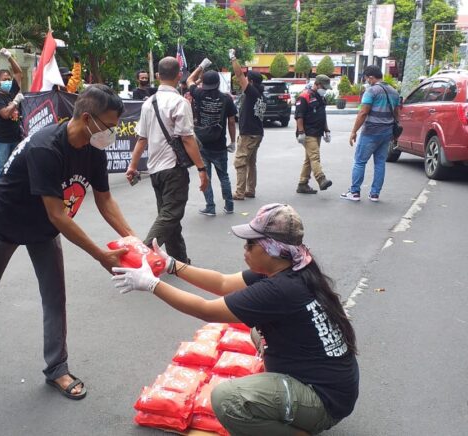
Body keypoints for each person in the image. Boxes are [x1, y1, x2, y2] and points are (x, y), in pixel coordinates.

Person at [0, 85, 135, 408]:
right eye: (109, 126)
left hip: (43, 227)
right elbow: (58, 215)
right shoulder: (47, 147)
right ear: (87, 118)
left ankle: (57, 368)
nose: (112, 133)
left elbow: (105, 199)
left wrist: (132, 238)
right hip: (7, 221)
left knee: (55, 296)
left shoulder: (94, 147)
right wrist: (100, 256)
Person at [111, 203, 359, 436]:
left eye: (251, 244)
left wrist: (152, 284)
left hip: (323, 401)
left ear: (272, 249)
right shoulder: (293, 265)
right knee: (254, 331)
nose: (245, 249)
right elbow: (223, 283)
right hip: (332, 385)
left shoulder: (282, 289)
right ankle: (285, 398)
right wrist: (171, 265)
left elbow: (206, 310)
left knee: (227, 399)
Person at [126, 56, 208, 265]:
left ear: (157, 76)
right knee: (170, 215)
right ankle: (141, 256)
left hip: (155, 170)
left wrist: (133, 166)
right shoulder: (179, 103)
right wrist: (201, 168)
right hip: (173, 169)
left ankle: (178, 260)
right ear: (179, 76)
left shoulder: (148, 104)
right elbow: (188, 140)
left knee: (170, 216)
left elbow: (141, 139)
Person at [342, 65, 399, 202]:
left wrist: (354, 131)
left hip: (371, 131)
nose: (366, 81)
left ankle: (354, 192)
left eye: (367, 78)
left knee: (360, 162)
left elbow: (363, 112)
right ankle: (375, 194)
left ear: (371, 77)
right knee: (380, 163)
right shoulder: (394, 92)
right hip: (386, 132)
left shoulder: (371, 91)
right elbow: (397, 113)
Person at [187, 66, 237, 216]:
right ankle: (229, 206)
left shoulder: (199, 94)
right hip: (220, 144)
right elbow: (232, 121)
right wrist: (233, 141)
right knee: (224, 176)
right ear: (217, 82)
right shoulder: (226, 99)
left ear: (204, 82)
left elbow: (189, 80)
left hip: (202, 143)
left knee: (205, 176)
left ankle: (210, 206)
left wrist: (201, 66)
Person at [230, 49, 266, 201]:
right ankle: (250, 189)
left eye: (247, 79)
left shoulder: (252, 93)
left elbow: (239, 75)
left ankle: (239, 192)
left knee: (240, 162)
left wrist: (233, 58)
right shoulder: (260, 95)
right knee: (251, 162)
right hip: (256, 133)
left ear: (250, 82)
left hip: (248, 134)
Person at [294, 74, 333, 195]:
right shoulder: (304, 96)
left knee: (309, 159)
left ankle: (302, 184)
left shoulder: (321, 98)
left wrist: (327, 130)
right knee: (315, 156)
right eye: (324, 87)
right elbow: (299, 116)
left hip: (318, 132)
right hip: (307, 133)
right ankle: (321, 179)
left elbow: (323, 116)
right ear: (317, 84)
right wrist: (301, 132)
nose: (325, 90)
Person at [0, 48, 25, 179]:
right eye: (5, 79)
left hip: (15, 137)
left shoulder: (12, 91)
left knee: (14, 168)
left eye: (9, 79)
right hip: (2, 139)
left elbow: (18, 72)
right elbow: (5, 114)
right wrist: (15, 102)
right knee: (1, 169)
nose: (8, 81)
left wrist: (9, 57)